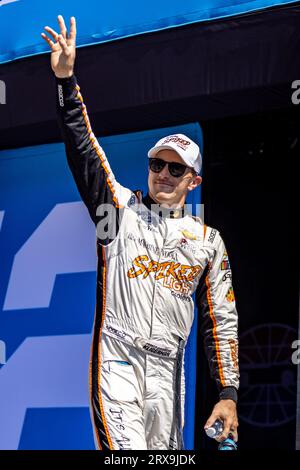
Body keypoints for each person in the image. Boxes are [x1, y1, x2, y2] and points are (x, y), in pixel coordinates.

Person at [41, 15, 239, 450]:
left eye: (176, 168)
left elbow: (221, 322)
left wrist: (228, 393)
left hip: (169, 375)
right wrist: (65, 82)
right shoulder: (118, 211)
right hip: (118, 361)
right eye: (156, 164)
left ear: (194, 181)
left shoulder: (208, 242)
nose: (164, 174)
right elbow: (83, 148)